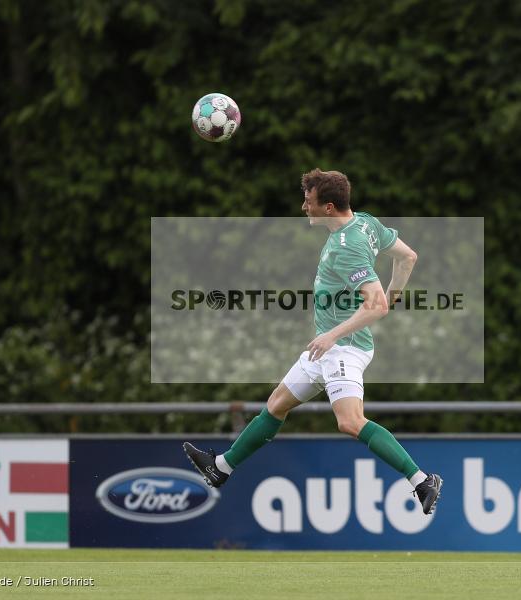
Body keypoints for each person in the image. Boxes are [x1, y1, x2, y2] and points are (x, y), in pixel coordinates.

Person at [183, 169, 442, 514]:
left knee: (350, 421)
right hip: (326, 348)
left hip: (341, 349)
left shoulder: (346, 247)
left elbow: (376, 303)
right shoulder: (365, 222)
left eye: (309, 201)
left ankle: (422, 481)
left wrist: (339, 330)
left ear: (330, 207)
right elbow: (408, 257)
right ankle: (222, 467)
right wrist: (391, 297)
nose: (303, 206)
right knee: (276, 404)